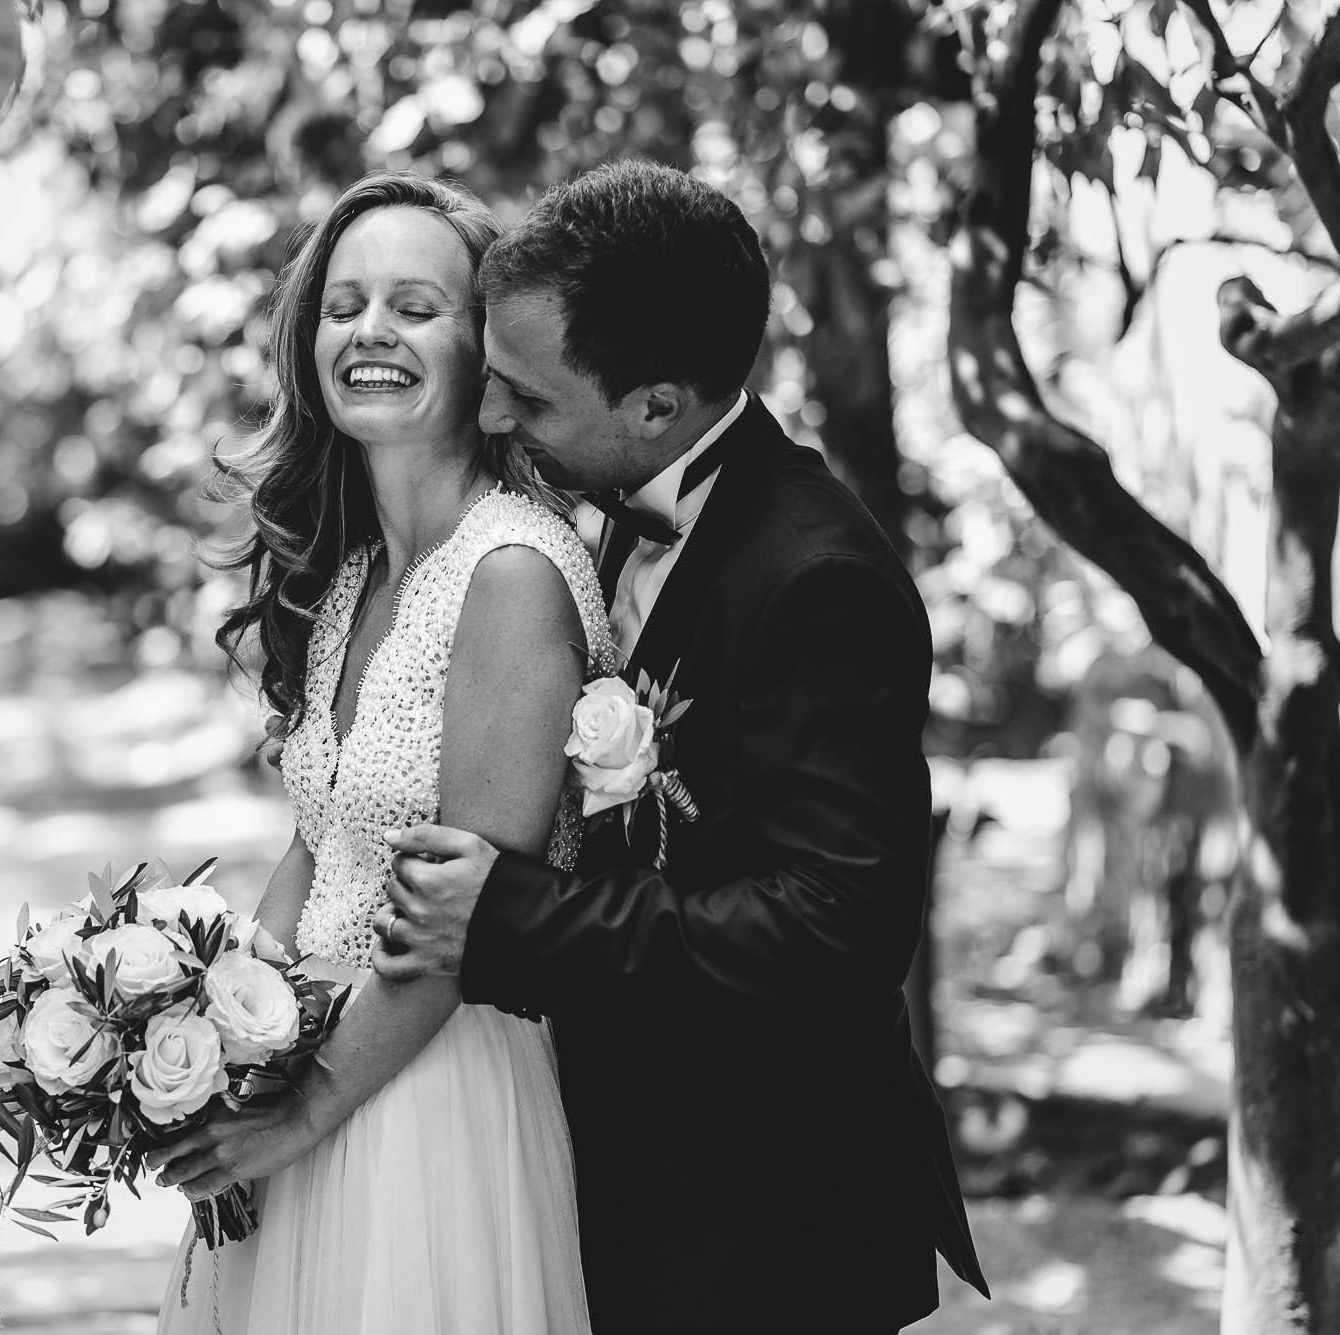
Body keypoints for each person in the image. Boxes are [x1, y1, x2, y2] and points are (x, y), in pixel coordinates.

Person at [373, 159, 990, 1333]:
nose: (491, 417)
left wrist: (513, 916)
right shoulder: (592, 508)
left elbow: (835, 928)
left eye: (529, 398)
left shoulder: (819, 579)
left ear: (655, 408)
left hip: (761, 1218)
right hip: (620, 1169)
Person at [148, 171, 607, 1333]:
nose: (369, 332)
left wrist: (303, 1109)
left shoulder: (511, 574)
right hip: (307, 1068)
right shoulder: (354, 571)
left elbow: (461, 924)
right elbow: (321, 845)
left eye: (414, 306)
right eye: (343, 305)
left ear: (482, 354)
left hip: (429, 1091)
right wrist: (210, 1027)